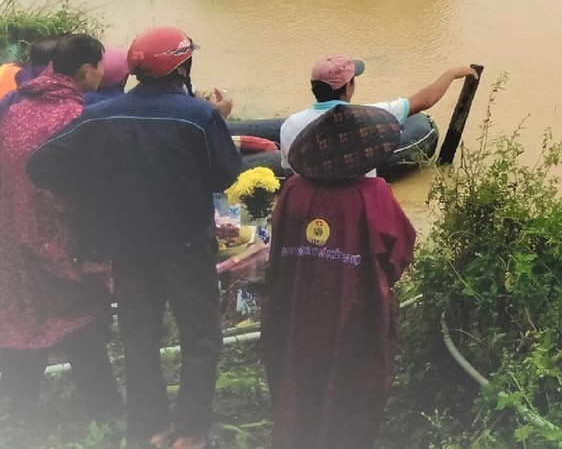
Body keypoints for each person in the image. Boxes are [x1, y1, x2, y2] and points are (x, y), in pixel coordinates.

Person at [27, 26, 241, 449]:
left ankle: (151, 428)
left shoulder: (100, 115)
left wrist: (93, 190)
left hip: (127, 250)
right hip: (185, 247)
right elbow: (225, 174)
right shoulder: (199, 115)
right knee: (199, 338)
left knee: (139, 338)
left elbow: (42, 165)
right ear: (183, 66)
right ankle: (192, 432)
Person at [262, 104, 416, 449]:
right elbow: (399, 252)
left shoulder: (293, 190)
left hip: (296, 302)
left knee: (296, 374)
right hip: (355, 305)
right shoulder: (374, 193)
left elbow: (278, 244)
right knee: (353, 379)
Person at [0, 33, 121, 425]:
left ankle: (20, 411)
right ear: (86, 71)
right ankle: (103, 410)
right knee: (84, 322)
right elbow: (97, 187)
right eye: (100, 65)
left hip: (11, 239)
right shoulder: (79, 117)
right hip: (63, 241)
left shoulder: (15, 108)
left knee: (20, 320)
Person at [278, 56, 478, 175]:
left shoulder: (290, 125)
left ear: (313, 87)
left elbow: (290, 170)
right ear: (349, 87)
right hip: (355, 203)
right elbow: (425, 100)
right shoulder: (372, 117)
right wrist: (451, 74)